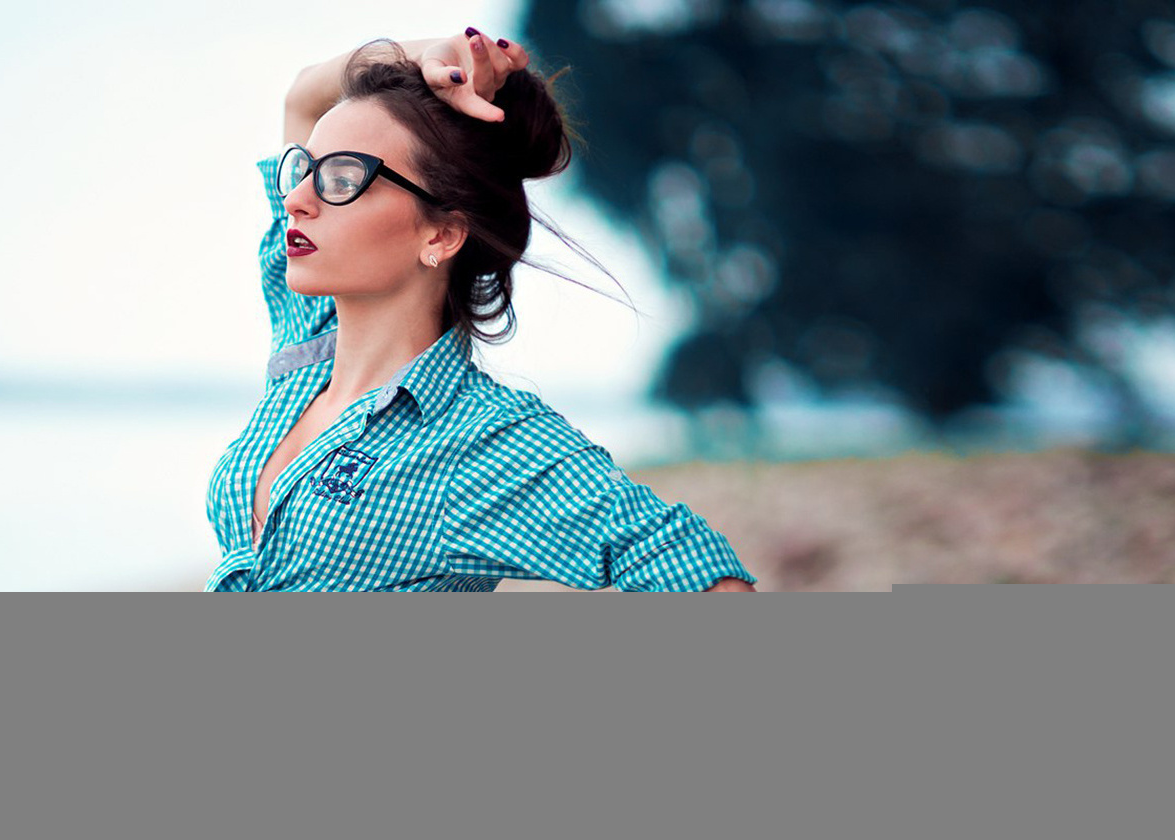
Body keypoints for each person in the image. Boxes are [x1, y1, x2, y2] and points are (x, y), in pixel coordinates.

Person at [202, 27, 759, 592]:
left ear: (442, 234)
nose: (297, 197)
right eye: (302, 169)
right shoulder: (308, 347)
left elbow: (693, 568)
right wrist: (423, 56)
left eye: (342, 178)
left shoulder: (482, 438)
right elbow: (302, 98)